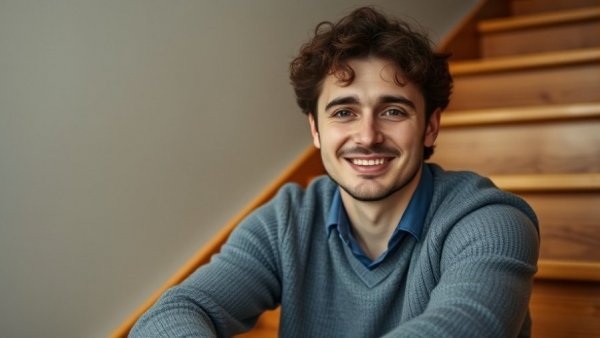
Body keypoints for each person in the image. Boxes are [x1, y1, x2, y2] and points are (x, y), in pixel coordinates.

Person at [130, 6, 539, 338]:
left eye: (393, 110)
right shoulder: (287, 220)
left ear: (430, 126)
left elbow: (464, 327)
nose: (368, 135)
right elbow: (172, 314)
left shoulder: (491, 222)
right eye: (344, 112)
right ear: (316, 130)